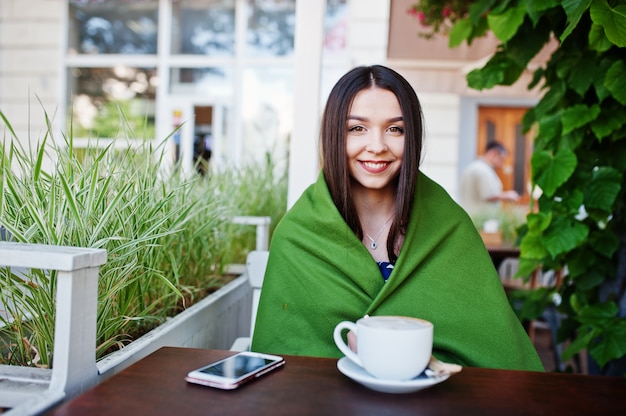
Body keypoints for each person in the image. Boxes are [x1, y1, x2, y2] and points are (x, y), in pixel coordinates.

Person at [251, 65, 543, 371]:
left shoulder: (449, 225)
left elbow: (493, 353)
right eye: (357, 129)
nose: (377, 146)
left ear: (412, 137)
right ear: (334, 136)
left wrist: (424, 364)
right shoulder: (299, 232)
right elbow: (283, 357)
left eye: (395, 129)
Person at [459, 141, 520, 215]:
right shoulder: (482, 170)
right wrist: (507, 195)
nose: (502, 163)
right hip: (478, 218)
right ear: (493, 153)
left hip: (470, 214)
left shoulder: (475, 166)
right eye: (501, 159)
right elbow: (488, 195)